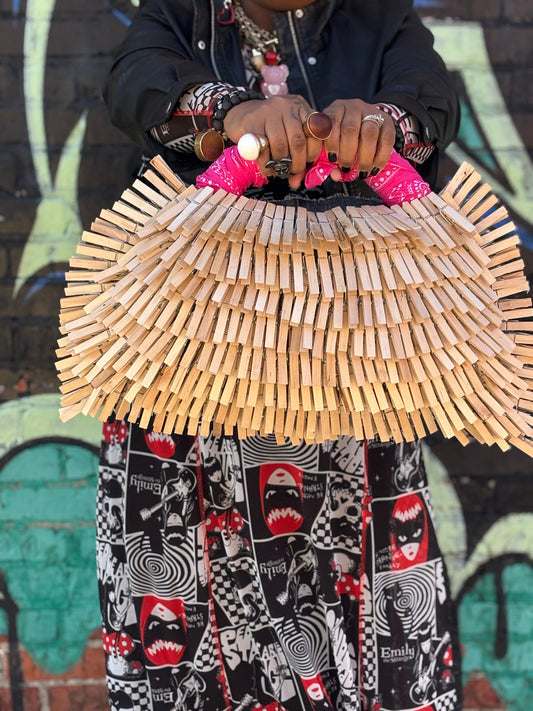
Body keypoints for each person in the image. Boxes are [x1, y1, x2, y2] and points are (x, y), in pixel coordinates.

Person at [97, 1, 462, 710]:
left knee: (357, 609)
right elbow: (135, 84)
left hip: (348, 377)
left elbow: (429, 99)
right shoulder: (178, 11)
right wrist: (228, 117)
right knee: (188, 625)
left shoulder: (378, 17)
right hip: (185, 381)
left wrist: (385, 127)